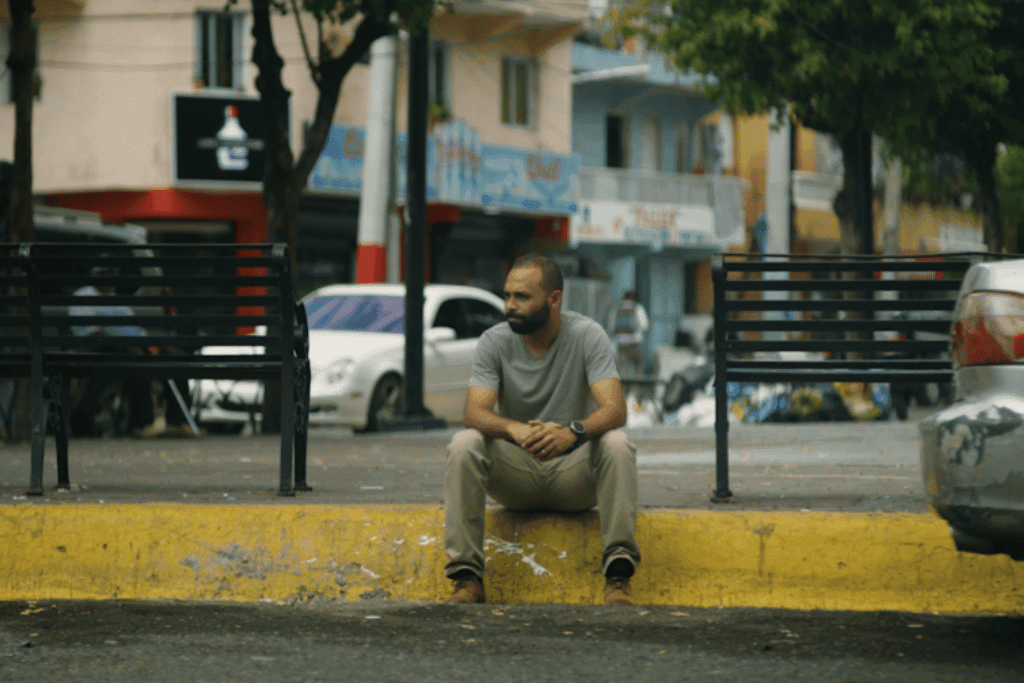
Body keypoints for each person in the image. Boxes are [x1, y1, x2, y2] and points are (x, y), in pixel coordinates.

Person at [444, 254, 640, 606]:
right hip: (517, 474)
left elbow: (615, 409)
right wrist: (514, 429)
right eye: (507, 296)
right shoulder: (494, 341)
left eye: (522, 297)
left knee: (617, 443)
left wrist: (573, 432)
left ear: (554, 300)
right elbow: (474, 412)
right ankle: (467, 579)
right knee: (464, 443)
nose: (510, 306)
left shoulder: (587, 336)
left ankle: (618, 578)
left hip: (573, 476)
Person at [70, 266, 157, 437]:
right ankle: (141, 422)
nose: (111, 280)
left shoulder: (117, 301)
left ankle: (161, 421)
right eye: (106, 274)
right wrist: (126, 344)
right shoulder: (84, 296)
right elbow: (91, 334)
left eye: (113, 275)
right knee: (131, 361)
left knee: (145, 358)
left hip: (124, 350)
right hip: (97, 349)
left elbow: (136, 331)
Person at [608, 291, 649, 377]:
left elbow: (611, 327)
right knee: (639, 366)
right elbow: (644, 325)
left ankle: (623, 389)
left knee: (622, 369)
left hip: (621, 344)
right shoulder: (637, 308)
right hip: (635, 343)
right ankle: (635, 389)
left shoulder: (616, 309)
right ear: (633, 298)